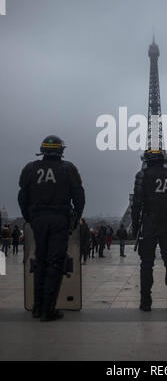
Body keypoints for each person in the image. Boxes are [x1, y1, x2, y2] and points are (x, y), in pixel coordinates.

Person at [18, 135, 85, 322]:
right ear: (61, 151)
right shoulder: (68, 169)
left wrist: (29, 217)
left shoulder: (30, 169)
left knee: (40, 261)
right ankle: (48, 309)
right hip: (59, 219)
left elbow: (22, 196)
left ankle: (37, 307)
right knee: (55, 263)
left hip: (38, 219)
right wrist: (75, 218)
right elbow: (79, 197)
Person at [131, 149, 167, 312]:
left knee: (146, 264)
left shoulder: (142, 175)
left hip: (149, 223)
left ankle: (145, 302)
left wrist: (136, 227)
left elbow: (136, 204)